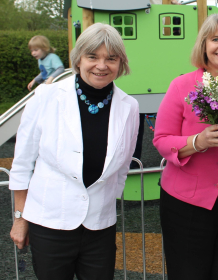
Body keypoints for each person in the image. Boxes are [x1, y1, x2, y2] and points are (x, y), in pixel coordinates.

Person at [9, 23, 139, 280]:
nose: (101, 65)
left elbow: (123, 166)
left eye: (111, 59)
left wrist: (104, 203)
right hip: (49, 223)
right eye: (93, 56)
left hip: (99, 226)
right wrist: (20, 218)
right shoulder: (46, 96)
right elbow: (23, 163)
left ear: (120, 64)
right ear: (78, 59)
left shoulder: (130, 106)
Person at [153, 12, 218, 280]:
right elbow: (162, 140)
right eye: (216, 39)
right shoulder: (181, 86)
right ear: (204, 46)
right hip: (184, 203)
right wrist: (198, 142)